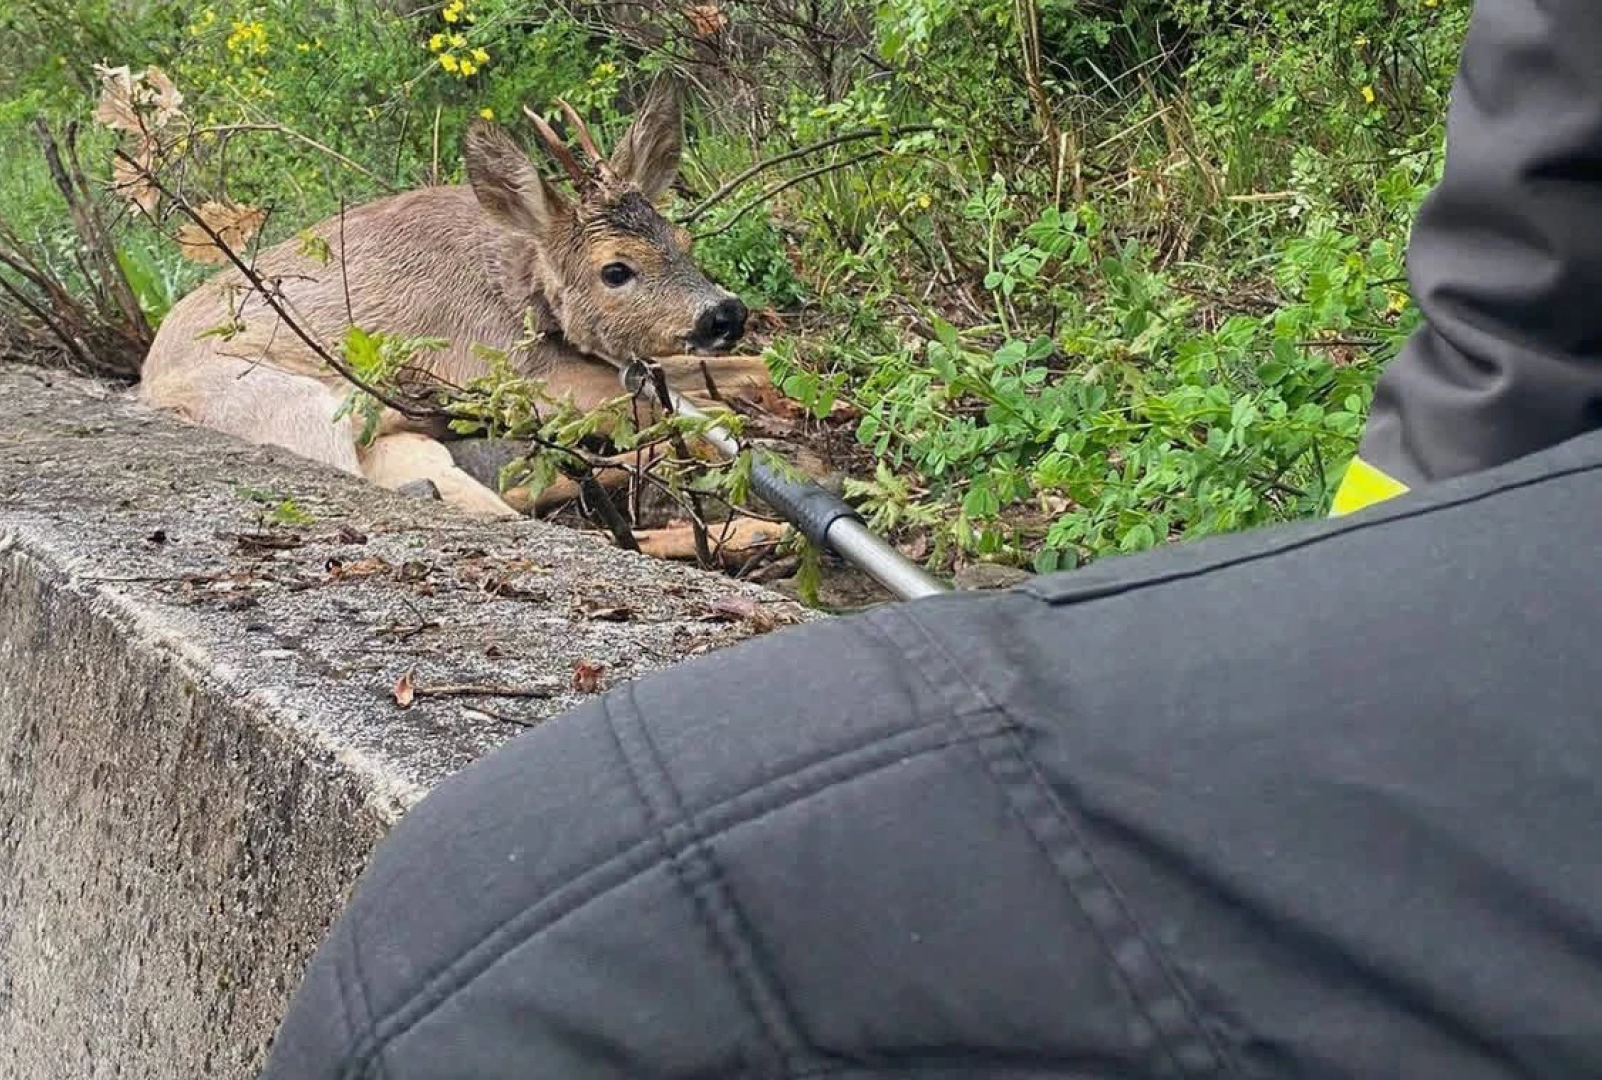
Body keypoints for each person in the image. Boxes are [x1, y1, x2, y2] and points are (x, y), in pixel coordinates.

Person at [257, 2, 1602, 1075]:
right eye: (622, 277)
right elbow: (1531, 260)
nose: (693, 306)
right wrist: (1375, 582)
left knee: (480, 946)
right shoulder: (475, 318)